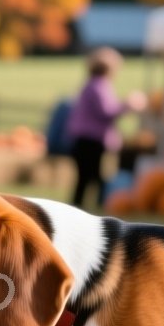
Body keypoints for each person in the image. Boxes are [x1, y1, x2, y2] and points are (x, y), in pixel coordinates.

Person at [64, 47, 145, 211]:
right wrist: (129, 104)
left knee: (85, 178)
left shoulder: (91, 84)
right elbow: (107, 111)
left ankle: (79, 207)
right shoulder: (98, 86)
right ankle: (94, 207)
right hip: (91, 140)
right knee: (93, 177)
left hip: (84, 139)